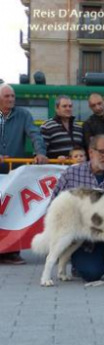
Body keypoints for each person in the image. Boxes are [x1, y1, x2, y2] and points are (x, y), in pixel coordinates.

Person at [50, 135, 104, 282]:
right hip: (81, 237)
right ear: (91, 153)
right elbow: (53, 206)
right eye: (102, 152)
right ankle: (76, 261)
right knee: (92, 274)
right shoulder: (71, 174)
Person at [0, 84, 48, 265]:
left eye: (12, 96)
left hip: (13, 172)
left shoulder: (23, 114)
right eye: (6, 96)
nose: (11, 99)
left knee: (14, 210)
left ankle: (12, 251)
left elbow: (35, 134)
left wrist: (40, 152)